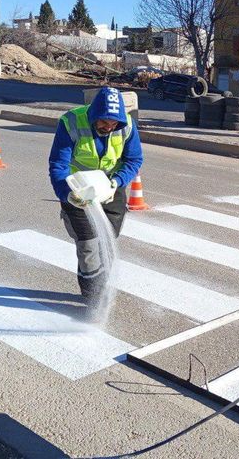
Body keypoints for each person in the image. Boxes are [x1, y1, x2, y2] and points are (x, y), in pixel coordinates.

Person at [48, 87, 143, 311]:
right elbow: (58, 165)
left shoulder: (127, 125)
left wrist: (116, 182)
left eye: (113, 124)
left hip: (110, 187)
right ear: (93, 116)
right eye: (104, 123)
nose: (109, 128)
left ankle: (102, 284)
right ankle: (92, 296)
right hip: (78, 190)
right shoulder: (70, 122)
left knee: (108, 241)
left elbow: (134, 160)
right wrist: (67, 194)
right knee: (89, 246)